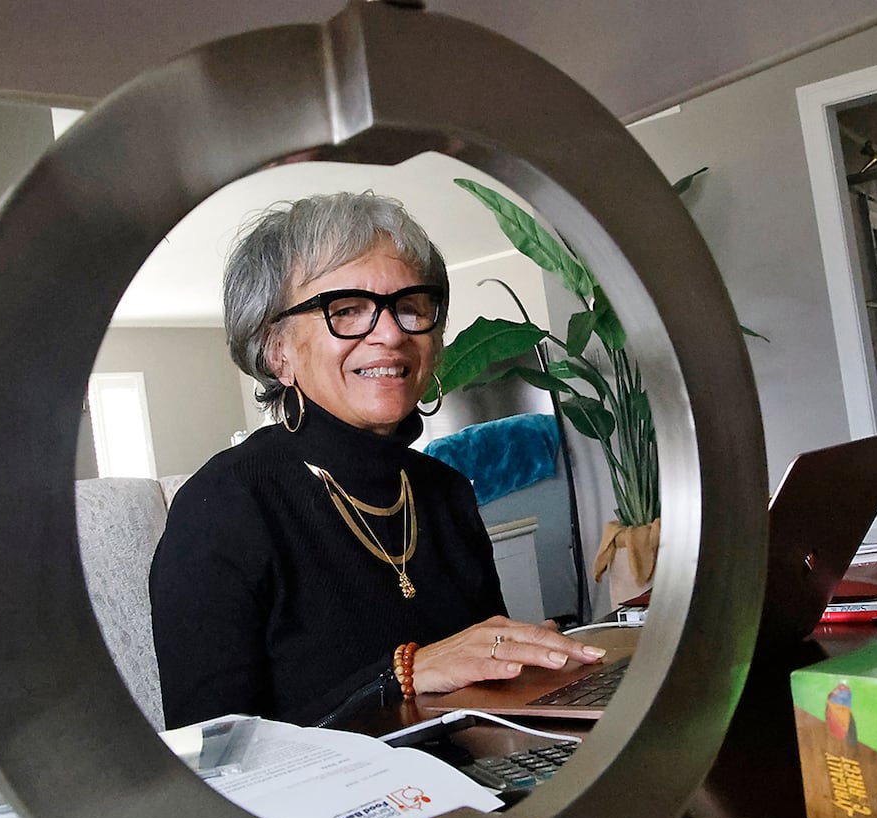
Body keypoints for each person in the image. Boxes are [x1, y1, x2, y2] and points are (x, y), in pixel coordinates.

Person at [149, 192, 605, 728]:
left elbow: (479, 694)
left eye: (411, 306)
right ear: (278, 352)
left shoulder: (448, 491)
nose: (390, 333)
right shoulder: (221, 508)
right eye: (346, 310)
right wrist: (401, 677)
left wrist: (530, 664)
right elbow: (216, 756)